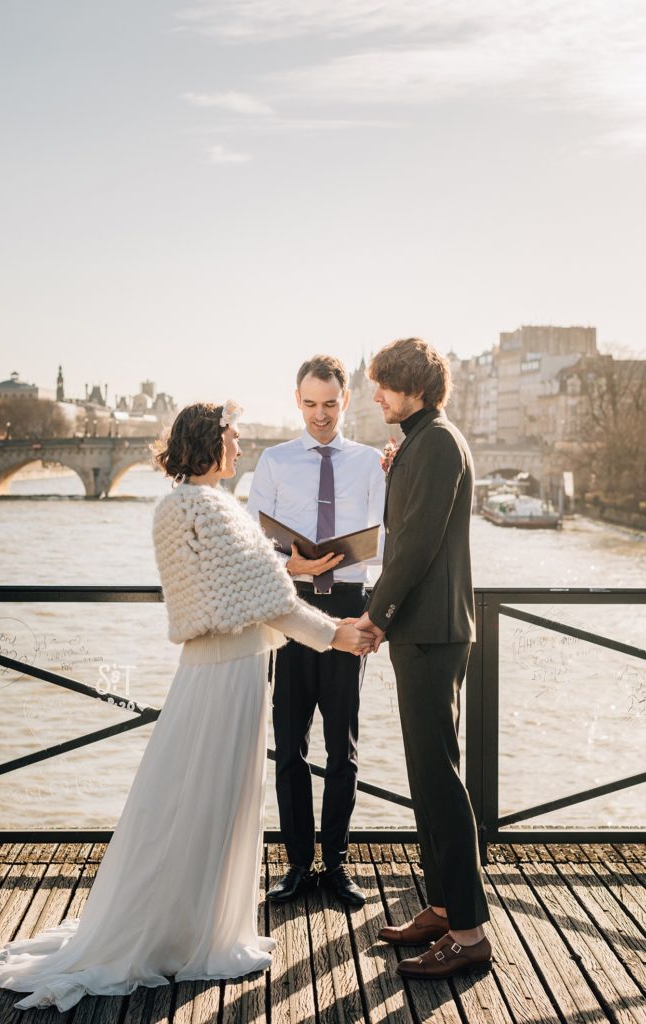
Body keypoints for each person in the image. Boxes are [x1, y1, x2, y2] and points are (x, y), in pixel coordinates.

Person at [0, 400, 374, 1011]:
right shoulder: (212, 509)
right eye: (234, 435)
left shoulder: (180, 507)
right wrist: (339, 634)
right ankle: (200, 934)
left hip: (210, 669)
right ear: (210, 442)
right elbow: (268, 600)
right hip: (230, 674)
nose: (242, 444)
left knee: (185, 797)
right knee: (218, 798)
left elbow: (242, 582)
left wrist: (284, 567)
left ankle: (181, 922)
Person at [354, 338, 492, 980]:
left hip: (430, 630)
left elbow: (414, 545)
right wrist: (396, 469)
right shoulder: (423, 440)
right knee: (427, 776)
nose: (374, 394)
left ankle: (467, 933)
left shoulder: (434, 441)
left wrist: (375, 617)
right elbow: (411, 526)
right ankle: (441, 905)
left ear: (412, 385)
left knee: (438, 780)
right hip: (428, 629)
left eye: (383, 384)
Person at [247, 356, 385, 906]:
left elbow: (388, 542)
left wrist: (377, 616)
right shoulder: (274, 461)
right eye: (309, 404)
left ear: (345, 400)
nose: (320, 415)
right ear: (296, 400)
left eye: (329, 404)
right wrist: (291, 568)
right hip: (291, 610)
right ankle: (298, 865)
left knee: (342, 747)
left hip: (350, 610)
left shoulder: (373, 462)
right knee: (289, 745)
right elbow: (254, 547)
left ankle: (338, 865)